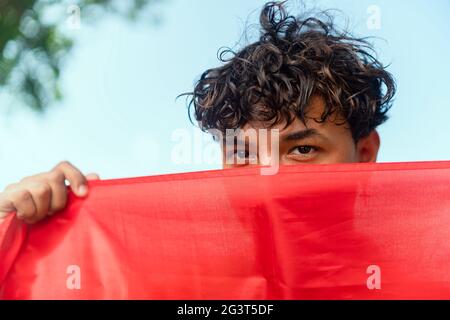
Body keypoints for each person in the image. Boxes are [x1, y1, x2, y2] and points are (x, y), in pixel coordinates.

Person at [0, 1, 395, 224]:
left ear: (364, 155)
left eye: (302, 149)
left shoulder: (424, 277)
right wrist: (15, 235)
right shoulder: (167, 277)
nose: (269, 180)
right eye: (243, 153)